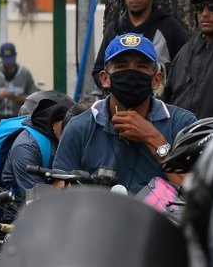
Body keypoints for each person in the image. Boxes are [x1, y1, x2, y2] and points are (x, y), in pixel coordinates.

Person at [53, 33, 197, 193]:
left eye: (141, 66)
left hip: (158, 218)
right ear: (105, 79)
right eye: (122, 66)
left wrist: (154, 140)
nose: (131, 73)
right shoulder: (79, 127)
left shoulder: (183, 124)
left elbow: (196, 193)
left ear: (156, 80)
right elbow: (60, 191)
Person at [91, 0, 189, 90]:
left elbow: (187, 68)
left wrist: (161, 72)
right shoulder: (114, 30)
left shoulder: (169, 28)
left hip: (158, 107)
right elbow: (98, 71)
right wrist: (117, 84)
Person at [1, 91, 76, 198]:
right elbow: (34, 198)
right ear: (55, 123)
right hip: (20, 212)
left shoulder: (57, 138)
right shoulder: (26, 147)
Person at [0, 43, 36, 118]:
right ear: (1, 57)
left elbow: (33, 98)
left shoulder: (25, 73)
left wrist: (16, 97)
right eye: (6, 60)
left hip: (18, 118)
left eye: (10, 60)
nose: (8, 64)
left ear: (15, 55)